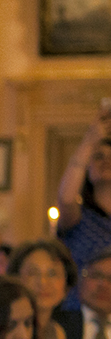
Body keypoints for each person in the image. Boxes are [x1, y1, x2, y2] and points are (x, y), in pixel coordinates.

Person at [55, 104, 111, 310]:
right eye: (98, 156)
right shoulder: (79, 217)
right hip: (78, 315)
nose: (106, 161)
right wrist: (89, 141)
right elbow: (66, 199)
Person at [7, 239, 79, 339]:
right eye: (33, 273)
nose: (43, 282)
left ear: (66, 287)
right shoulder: (7, 328)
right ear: (16, 279)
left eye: (52, 274)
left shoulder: (57, 333)